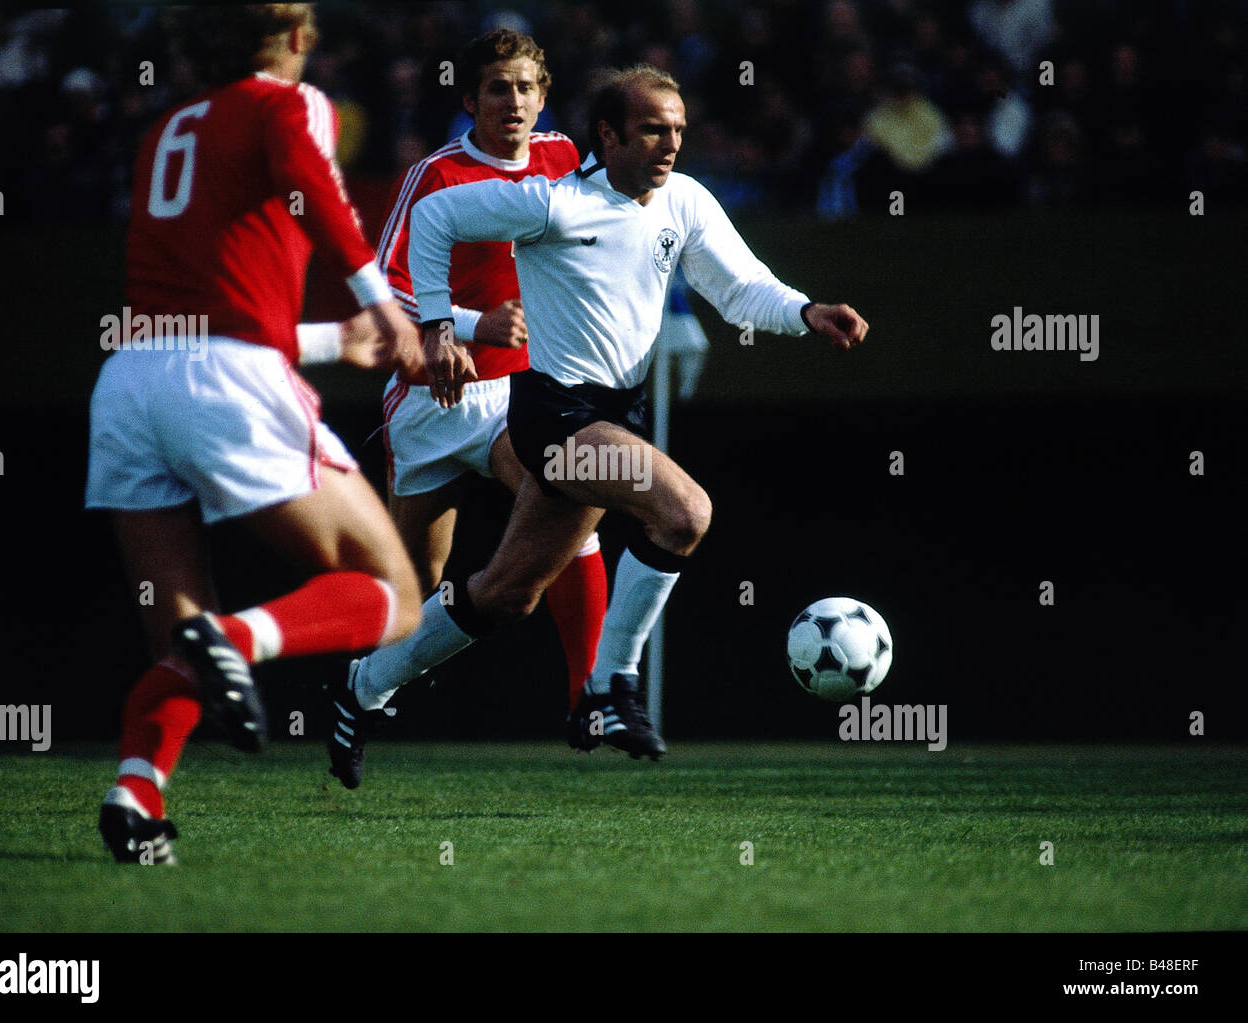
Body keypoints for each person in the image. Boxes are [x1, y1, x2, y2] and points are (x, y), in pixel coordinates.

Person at [343, 65, 869, 763]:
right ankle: (609, 685)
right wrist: (442, 325)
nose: (670, 143)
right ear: (608, 135)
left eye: (678, 129)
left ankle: (365, 684)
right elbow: (438, 217)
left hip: (605, 418)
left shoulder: (682, 200)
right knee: (685, 513)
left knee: (507, 592)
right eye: (653, 129)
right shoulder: (555, 203)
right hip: (551, 418)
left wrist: (805, 311)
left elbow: (741, 288)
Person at [85, 3, 422, 864]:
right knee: (391, 592)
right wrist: (380, 305)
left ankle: (136, 794)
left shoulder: (169, 127)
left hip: (129, 383)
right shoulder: (286, 105)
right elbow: (316, 196)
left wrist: (323, 341)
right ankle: (242, 637)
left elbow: (203, 287)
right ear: (300, 38)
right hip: (222, 383)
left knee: (173, 632)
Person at [326, 29, 608, 789]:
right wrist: (467, 325)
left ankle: (591, 692)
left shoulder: (566, 159)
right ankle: (364, 688)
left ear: (542, 96)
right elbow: (385, 289)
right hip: (429, 404)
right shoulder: (434, 176)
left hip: (517, 394)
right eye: (496, 89)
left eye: (524, 88)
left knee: (567, 493)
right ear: (469, 100)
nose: (512, 102)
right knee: (413, 601)